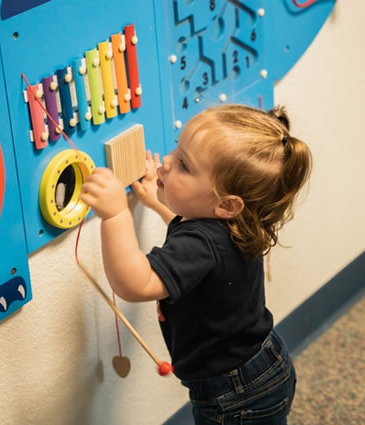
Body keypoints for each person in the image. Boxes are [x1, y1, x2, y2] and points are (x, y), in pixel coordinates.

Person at [80, 104, 312, 425]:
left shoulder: (203, 243)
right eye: (177, 147)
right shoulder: (238, 223)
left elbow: (136, 283)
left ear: (227, 205)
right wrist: (155, 200)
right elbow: (193, 237)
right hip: (265, 363)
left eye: (185, 166)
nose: (166, 160)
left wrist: (116, 215)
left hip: (237, 396)